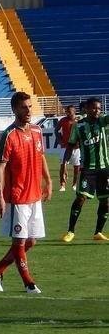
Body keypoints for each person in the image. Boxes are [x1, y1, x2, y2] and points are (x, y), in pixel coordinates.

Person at [0, 92, 52, 294]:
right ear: (15, 109)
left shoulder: (37, 131)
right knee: (19, 241)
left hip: (35, 195)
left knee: (30, 241)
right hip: (17, 197)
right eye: (24, 107)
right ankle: (28, 282)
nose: (28, 110)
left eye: (29, 106)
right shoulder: (9, 136)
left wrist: (48, 181)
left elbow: (41, 157)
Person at [61, 97, 109, 243]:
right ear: (86, 109)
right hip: (88, 169)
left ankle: (98, 232)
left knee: (105, 201)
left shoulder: (103, 122)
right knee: (80, 198)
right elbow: (70, 145)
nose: (97, 111)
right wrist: (64, 164)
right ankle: (70, 231)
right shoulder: (79, 126)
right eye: (94, 108)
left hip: (105, 169)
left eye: (99, 108)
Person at [55, 104, 81, 192]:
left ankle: (75, 184)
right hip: (65, 147)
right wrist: (59, 140)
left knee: (77, 167)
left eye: (69, 112)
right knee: (63, 165)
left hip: (76, 148)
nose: (67, 113)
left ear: (74, 112)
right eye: (66, 111)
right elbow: (56, 130)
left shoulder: (79, 120)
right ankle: (62, 185)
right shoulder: (63, 120)